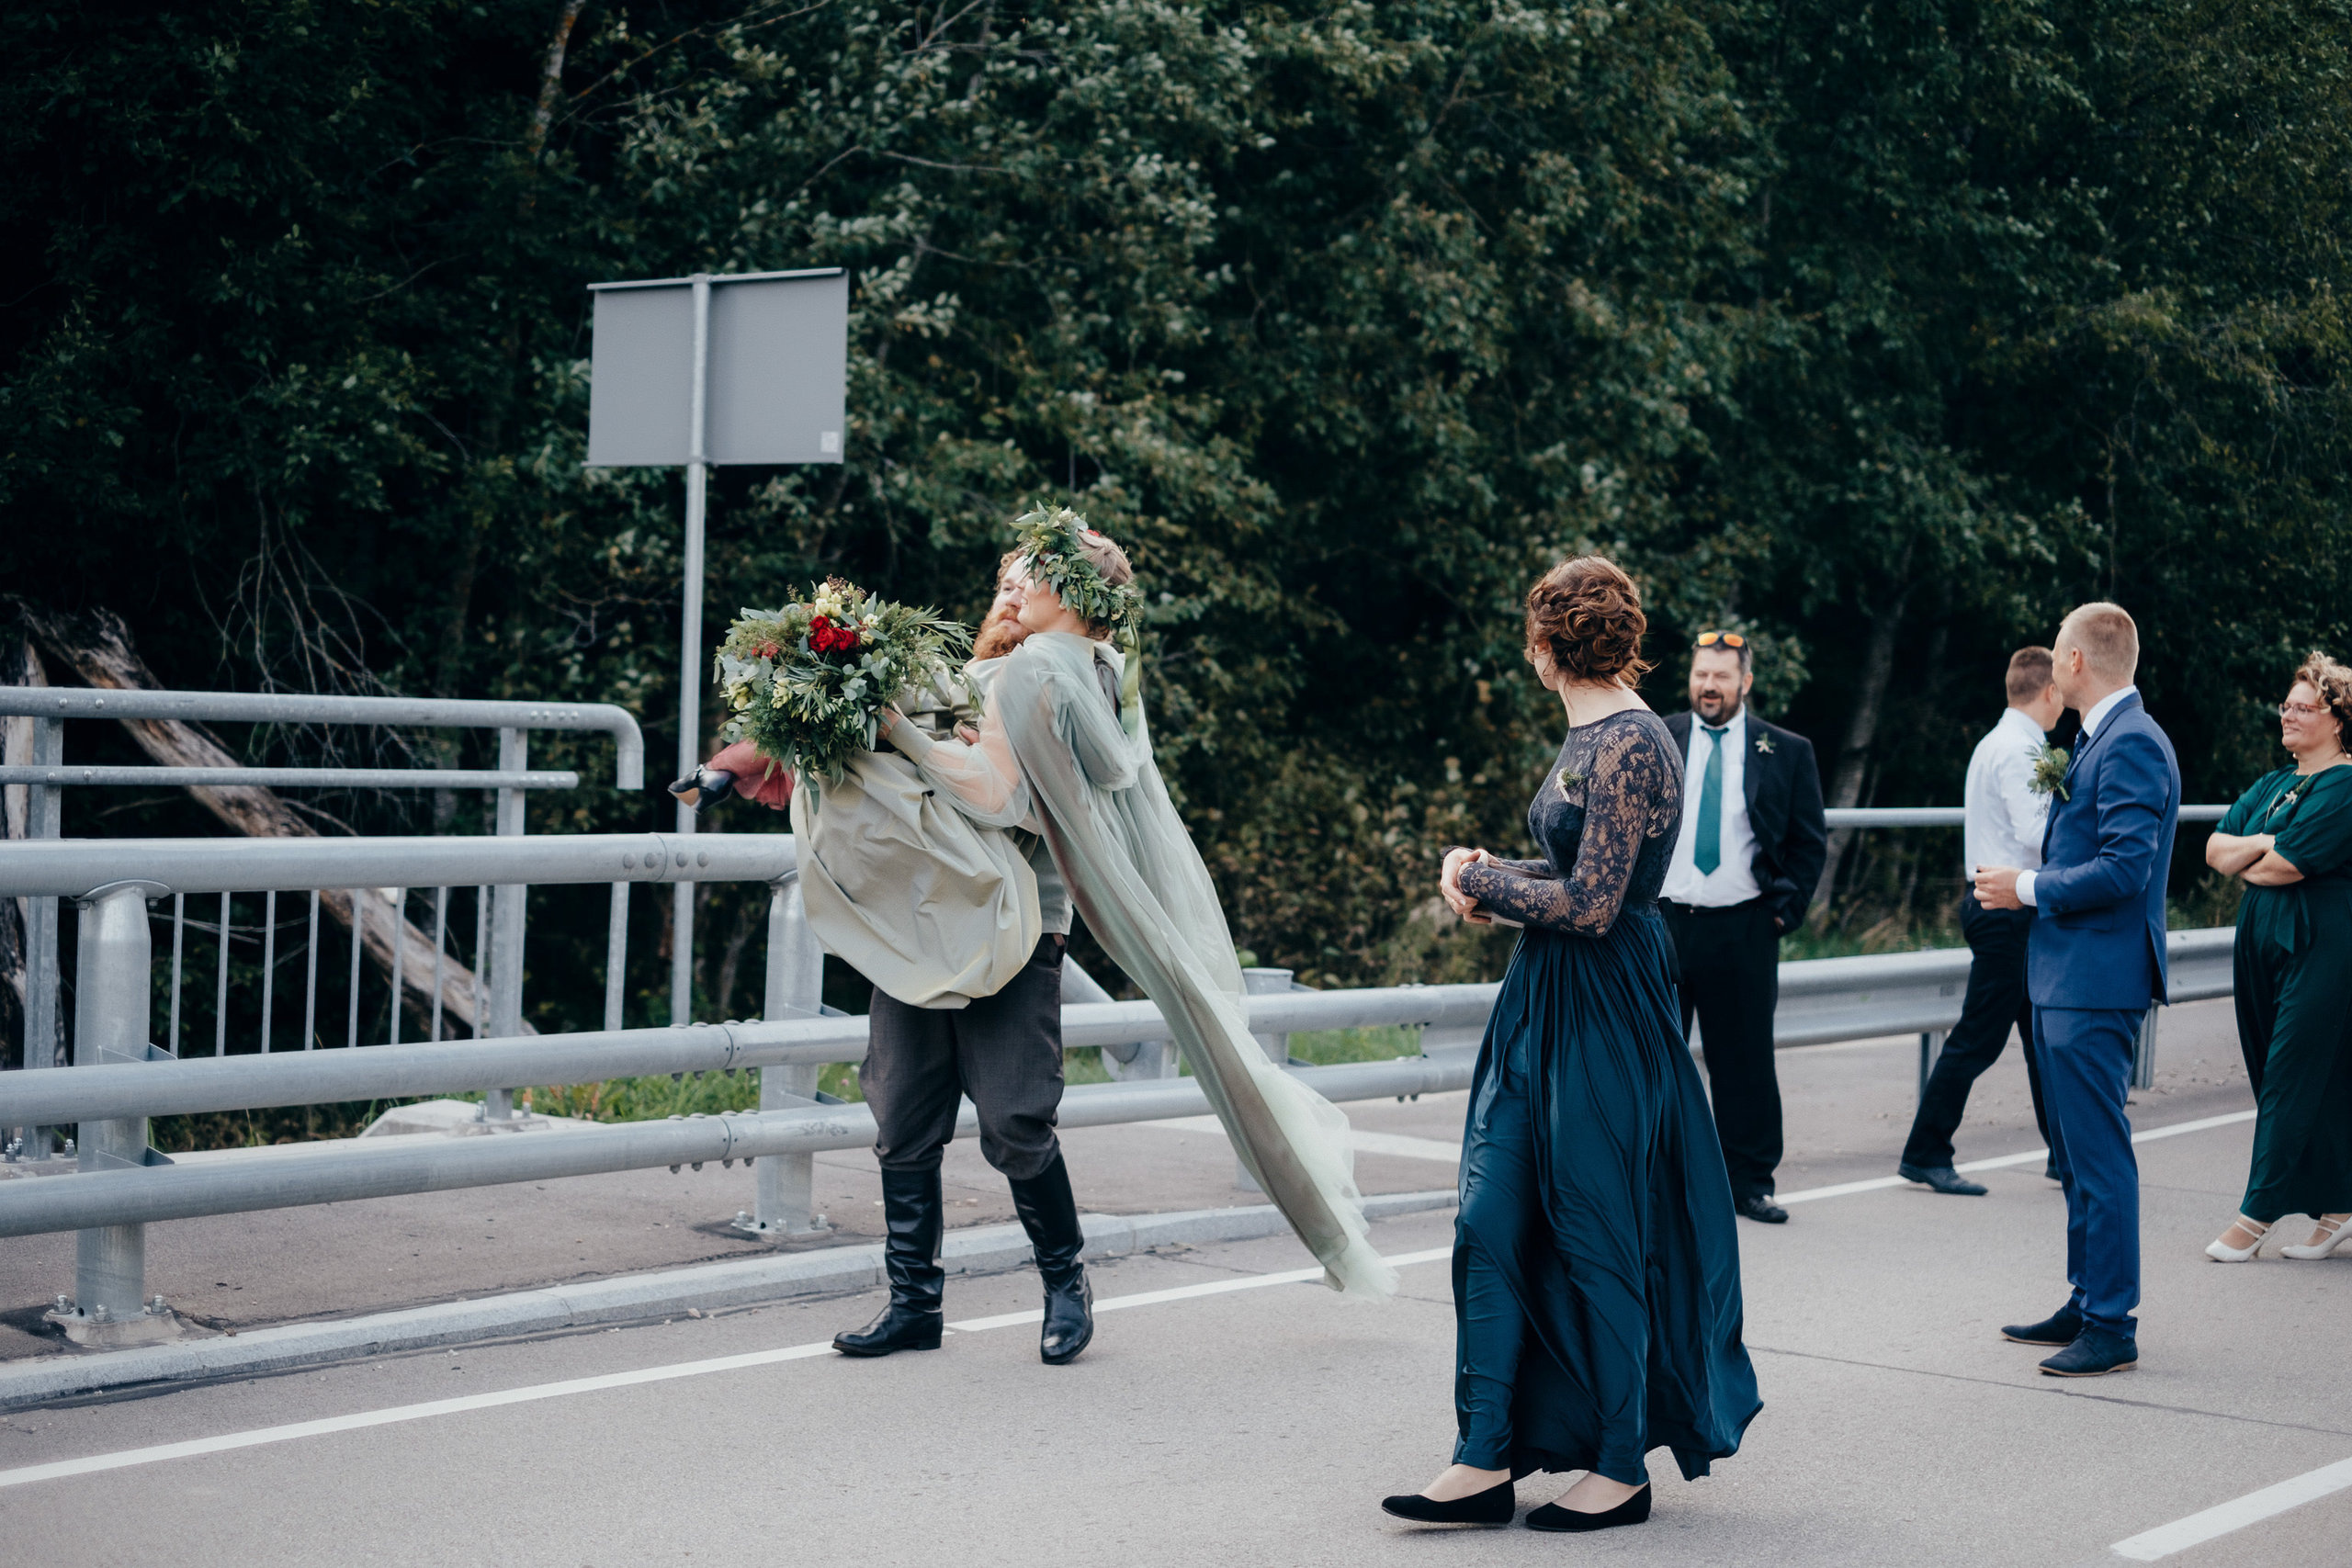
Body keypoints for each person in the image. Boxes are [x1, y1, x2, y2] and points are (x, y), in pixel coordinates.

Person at [886, 508, 1395, 1302]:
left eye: (1029, 578)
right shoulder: (1082, 674)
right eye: (1005, 581)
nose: (1012, 591)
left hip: (1015, 922)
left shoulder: (1042, 674)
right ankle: (913, 1302)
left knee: (1013, 1120)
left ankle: (1064, 1287)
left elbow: (1008, 800)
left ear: (1073, 594)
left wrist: (907, 739)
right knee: (905, 1114)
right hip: (930, 916)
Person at [1383, 558, 1759, 1535]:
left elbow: (1593, 904)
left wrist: (1480, 880)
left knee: (1597, 1230)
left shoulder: (1629, 738)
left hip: (1606, 1007)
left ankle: (1619, 1467)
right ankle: (1482, 1458)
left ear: (1546, 646)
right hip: (1547, 998)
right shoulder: (1592, 730)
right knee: (1488, 1219)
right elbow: (1573, 867)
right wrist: (1490, 872)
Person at [1975, 602, 2179, 1378]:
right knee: (2074, 1151)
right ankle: (2086, 1295)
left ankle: (2111, 1321)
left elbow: (2126, 868)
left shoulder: (2132, 742)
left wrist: (2026, 886)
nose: (2056, 662)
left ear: (2075, 662)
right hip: (2069, 975)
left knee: (2098, 1155)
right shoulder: (2102, 737)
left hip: (2097, 978)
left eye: (2060, 650)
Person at [1659, 633, 1826, 1224]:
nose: (1709, 687)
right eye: (1701, 675)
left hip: (1744, 927)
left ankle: (1750, 1183)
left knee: (1745, 1065)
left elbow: (1809, 842)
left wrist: (1782, 913)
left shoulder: (1786, 750)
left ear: (1745, 683)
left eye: (1721, 677)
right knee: (1655, 1059)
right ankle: (1655, 1185)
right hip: (1664, 925)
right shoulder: (1659, 737)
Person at [2199, 652, 2352, 1263]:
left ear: (2337, 719)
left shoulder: (2346, 785)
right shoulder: (2272, 784)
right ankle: (2340, 1206)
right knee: (2293, 1072)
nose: (2287, 715)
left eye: (2302, 708)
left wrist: (2261, 852)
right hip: (2263, 945)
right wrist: (2264, 840)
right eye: (2286, 706)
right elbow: (2215, 849)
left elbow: (2286, 866)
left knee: (2289, 1075)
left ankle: (2256, 1214)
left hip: (2320, 946)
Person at [1897, 648, 2060, 1194]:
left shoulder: (2000, 741)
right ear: (2049, 691)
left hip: (2003, 905)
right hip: (2004, 909)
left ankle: (2064, 1155)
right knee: (1979, 1038)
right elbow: (2036, 835)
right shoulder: (2019, 750)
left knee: (2040, 1038)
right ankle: (1925, 1152)